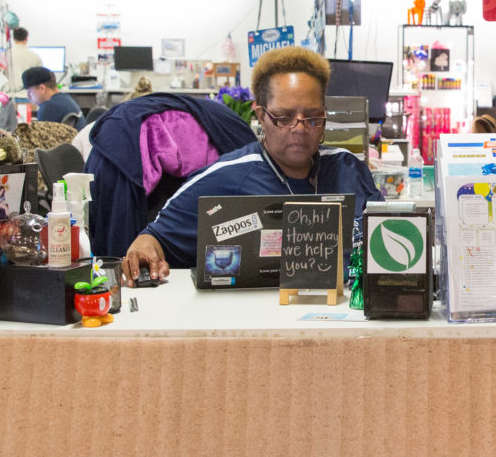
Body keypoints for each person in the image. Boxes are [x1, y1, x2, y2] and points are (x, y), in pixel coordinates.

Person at [121, 46, 381, 281]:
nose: (299, 128)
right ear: (261, 116)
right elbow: (153, 238)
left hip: (347, 317)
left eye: (313, 118)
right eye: (284, 117)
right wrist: (143, 248)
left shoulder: (348, 169)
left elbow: (387, 232)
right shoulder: (226, 177)